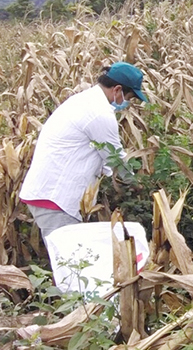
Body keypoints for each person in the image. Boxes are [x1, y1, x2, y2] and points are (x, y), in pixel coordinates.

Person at [20, 62, 148, 243]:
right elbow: (116, 160)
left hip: (50, 195)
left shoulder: (84, 101)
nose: (127, 103)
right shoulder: (99, 113)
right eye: (128, 97)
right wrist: (138, 187)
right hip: (57, 198)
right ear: (117, 89)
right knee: (69, 262)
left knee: (72, 260)